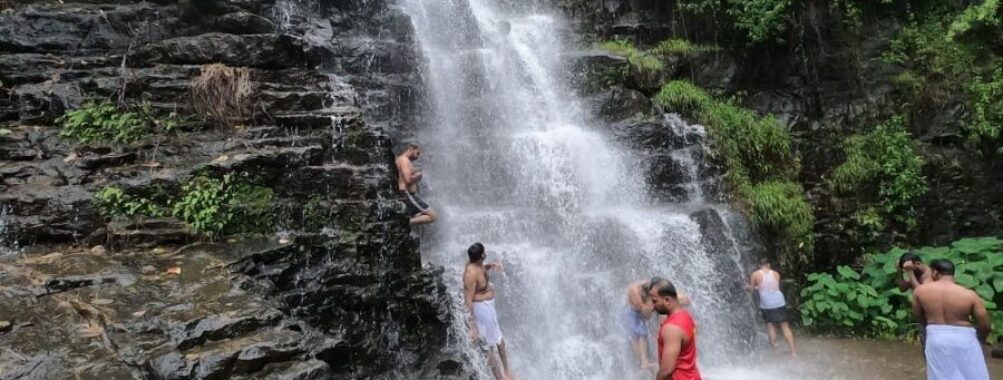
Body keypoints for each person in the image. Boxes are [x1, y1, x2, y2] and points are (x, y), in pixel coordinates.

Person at [912, 259, 991, 380]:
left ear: (935, 273)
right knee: (973, 375)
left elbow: (919, 316)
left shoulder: (920, 291)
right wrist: (980, 339)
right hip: (964, 337)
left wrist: (931, 328)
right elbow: (985, 324)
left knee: (940, 375)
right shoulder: (969, 294)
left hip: (936, 336)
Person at [463, 243, 514, 380]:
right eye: (484, 252)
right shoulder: (470, 273)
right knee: (491, 347)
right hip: (482, 310)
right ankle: (500, 377)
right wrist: (472, 325)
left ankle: (507, 372)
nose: (486, 253)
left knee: (499, 342)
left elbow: (481, 270)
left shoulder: (477, 264)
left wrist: (490, 266)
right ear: (481, 256)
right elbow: (468, 298)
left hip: (489, 308)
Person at [648, 277, 701, 380]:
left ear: (667, 300)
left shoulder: (671, 329)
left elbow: (667, 370)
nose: (652, 307)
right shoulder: (686, 316)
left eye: (655, 301)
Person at [749, 258, 796, 356]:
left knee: (771, 326)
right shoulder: (776, 274)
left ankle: (774, 352)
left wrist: (746, 286)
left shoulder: (755, 274)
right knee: (785, 326)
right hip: (779, 300)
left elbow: (752, 289)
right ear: (768, 265)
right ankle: (793, 352)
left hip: (767, 302)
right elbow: (772, 286)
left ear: (759, 265)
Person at [395, 144, 438, 225]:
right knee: (433, 216)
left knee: (420, 214)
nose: (418, 157)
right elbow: (408, 180)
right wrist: (418, 176)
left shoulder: (402, 160)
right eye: (417, 153)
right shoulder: (404, 160)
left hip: (408, 195)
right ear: (411, 148)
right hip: (408, 194)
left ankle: (404, 221)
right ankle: (403, 223)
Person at [624, 280, 657, 371]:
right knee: (639, 334)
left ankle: (643, 362)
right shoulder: (636, 294)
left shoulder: (643, 286)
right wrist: (650, 310)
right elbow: (647, 315)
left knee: (638, 335)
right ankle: (643, 362)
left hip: (632, 312)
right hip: (630, 313)